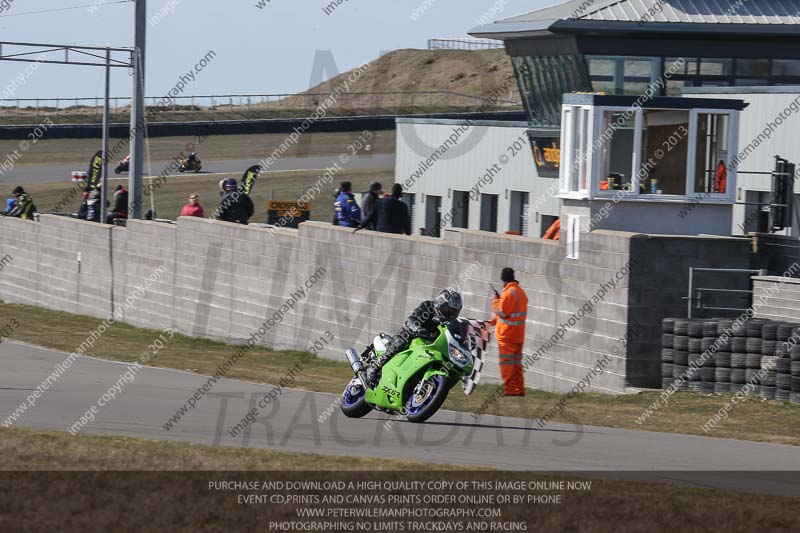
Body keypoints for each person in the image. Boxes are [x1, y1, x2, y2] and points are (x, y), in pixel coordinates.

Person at [364, 288, 462, 388]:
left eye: (454, 312)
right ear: (440, 304)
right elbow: (411, 320)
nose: (451, 315)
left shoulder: (450, 323)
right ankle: (374, 368)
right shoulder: (427, 307)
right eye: (448, 311)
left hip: (429, 345)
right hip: (412, 334)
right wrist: (419, 329)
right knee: (401, 342)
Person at [490, 268, 529, 397]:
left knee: (506, 364)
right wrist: (494, 321)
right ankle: (519, 388)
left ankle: (510, 389)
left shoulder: (508, 294)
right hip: (518, 335)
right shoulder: (520, 292)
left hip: (507, 336)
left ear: (503, 280)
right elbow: (511, 313)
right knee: (516, 364)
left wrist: (495, 301)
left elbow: (502, 312)